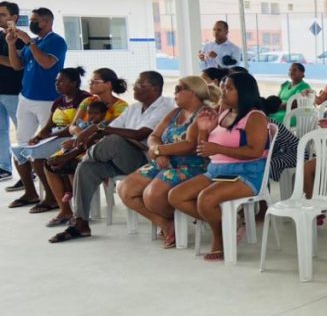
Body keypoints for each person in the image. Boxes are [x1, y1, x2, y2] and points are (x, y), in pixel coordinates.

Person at [49, 72, 175, 243]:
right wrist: (95, 131)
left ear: (155, 88)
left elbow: (140, 134)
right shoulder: (134, 108)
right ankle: (81, 222)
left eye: (140, 84)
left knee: (113, 140)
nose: (134, 87)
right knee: (86, 168)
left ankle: (72, 158)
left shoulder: (165, 106)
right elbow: (109, 128)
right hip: (122, 159)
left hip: (147, 160)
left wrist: (98, 130)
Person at [167, 72, 270, 261]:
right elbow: (203, 148)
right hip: (216, 170)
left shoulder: (255, 117)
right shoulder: (223, 112)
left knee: (205, 199)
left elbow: (255, 151)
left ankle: (219, 237)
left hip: (246, 173)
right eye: (222, 88)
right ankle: (226, 224)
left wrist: (218, 148)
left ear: (244, 92)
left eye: (229, 88)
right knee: (176, 196)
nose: (223, 92)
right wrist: (204, 130)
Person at [117, 76, 218, 248]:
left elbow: (190, 145)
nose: (174, 93)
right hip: (166, 161)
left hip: (194, 165)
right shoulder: (175, 113)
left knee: (152, 197)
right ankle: (166, 224)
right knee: (126, 189)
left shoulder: (204, 114)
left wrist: (159, 150)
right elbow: (154, 136)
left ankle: (185, 219)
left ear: (192, 93)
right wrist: (158, 153)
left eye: (179, 89)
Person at [37, 69, 129, 224]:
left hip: (101, 147)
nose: (90, 84)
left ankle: (79, 213)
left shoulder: (121, 106)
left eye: (95, 82)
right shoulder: (88, 101)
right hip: (78, 144)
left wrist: (82, 137)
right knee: (50, 163)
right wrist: (80, 135)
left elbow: (108, 130)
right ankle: (65, 210)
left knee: (75, 164)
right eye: (90, 81)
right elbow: (72, 126)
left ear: (108, 84)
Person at [0, 7, 67, 192]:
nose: (32, 23)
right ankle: (29, 190)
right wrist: (12, 44)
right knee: (21, 143)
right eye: (32, 19)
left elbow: (46, 63)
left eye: (35, 20)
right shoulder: (35, 42)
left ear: (47, 22)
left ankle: (55, 191)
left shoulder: (57, 41)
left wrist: (29, 42)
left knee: (47, 143)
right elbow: (16, 65)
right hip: (26, 98)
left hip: (48, 100)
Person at [8, 67, 90, 211]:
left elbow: (73, 127)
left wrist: (48, 137)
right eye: (56, 81)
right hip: (56, 136)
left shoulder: (84, 99)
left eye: (61, 81)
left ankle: (51, 196)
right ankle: (30, 192)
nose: (56, 84)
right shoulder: (58, 101)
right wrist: (37, 137)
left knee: (36, 156)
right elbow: (48, 126)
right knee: (19, 151)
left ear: (74, 83)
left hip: (73, 137)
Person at [0, 1, 24, 181]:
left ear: (14, 17)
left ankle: (28, 167)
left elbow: (17, 64)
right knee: (1, 131)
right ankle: (4, 167)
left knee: (22, 131)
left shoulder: (21, 38)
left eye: (2, 14)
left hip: (14, 91)